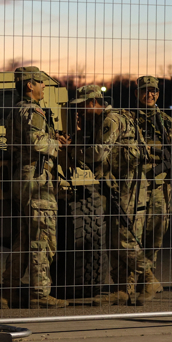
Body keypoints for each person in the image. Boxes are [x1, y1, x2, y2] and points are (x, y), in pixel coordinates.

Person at [69, 85, 149, 306]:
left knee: (124, 239)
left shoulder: (110, 121)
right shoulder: (100, 121)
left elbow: (97, 153)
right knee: (114, 239)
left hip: (129, 187)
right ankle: (123, 289)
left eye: (83, 105)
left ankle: (149, 276)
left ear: (94, 102)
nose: (81, 110)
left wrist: (72, 149)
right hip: (118, 186)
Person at [1, 66, 71, 309]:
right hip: (36, 179)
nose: (44, 87)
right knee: (43, 236)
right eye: (40, 83)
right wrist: (58, 144)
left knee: (25, 236)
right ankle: (39, 293)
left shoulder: (16, 110)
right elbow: (36, 142)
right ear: (29, 85)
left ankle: (8, 291)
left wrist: (53, 138)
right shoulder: (33, 111)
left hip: (23, 177)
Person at [134, 75, 172, 304]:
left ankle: (147, 275)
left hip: (159, 185)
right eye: (145, 90)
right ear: (138, 93)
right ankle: (143, 278)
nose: (150, 94)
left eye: (154, 91)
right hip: (135, 185)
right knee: (133, 232)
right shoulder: (129, 118)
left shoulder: (166, 121)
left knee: (156, 232)